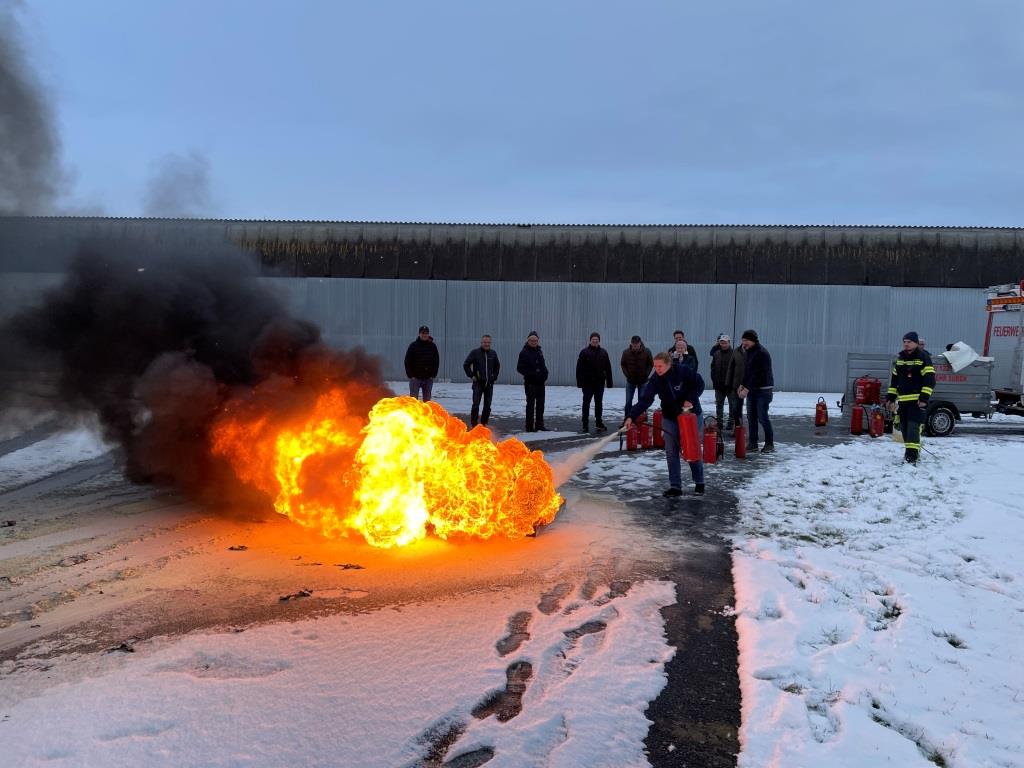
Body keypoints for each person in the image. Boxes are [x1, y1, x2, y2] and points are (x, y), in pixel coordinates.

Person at [624, 352, 706, 496]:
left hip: (691, 415)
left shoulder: (683, 370)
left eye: (660, 366)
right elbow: (645, 400)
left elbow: (700, 384)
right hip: (670, 416)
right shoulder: (655, 379)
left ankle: (699, 482)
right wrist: (631, 416)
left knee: (691, 447)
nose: (658, 369)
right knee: (671, 450)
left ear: (669, 364)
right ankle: (675, 487)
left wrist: (690, 399)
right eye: (655, 366)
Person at [885, 331, 935, 465]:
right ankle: (912, 452)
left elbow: (929, 381)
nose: (906, 344)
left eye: (909, 342)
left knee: (913, 428)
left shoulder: (923, 358)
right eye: (904, 342)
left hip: (917, 402)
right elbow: (894, 381)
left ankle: (911, 458)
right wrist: (890, 397)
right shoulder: (900, 359)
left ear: (916, 343)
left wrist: (924, 399)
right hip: (903, 402)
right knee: (905, 428)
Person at [737, 329, 774, 453]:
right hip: (752, 389)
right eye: (743, 341)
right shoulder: (749, 352)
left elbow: (758, 375)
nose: (744, 343)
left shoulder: (761, 353)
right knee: (751, 416)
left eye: (746, 340)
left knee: (762, 417)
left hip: (763, 390)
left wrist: (746, 389)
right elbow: (748, 371)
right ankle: (753, 443)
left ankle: (769, 444)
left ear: (753, 340)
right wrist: (742, 384)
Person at [576, 332, 613, 433]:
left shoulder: (603, 352)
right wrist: (579, 382)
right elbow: (579, 368)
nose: (595, 342)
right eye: (593, 340)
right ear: (590, 340)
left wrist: (609, 382)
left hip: (599, 383)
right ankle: (585, 424)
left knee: (598, 403)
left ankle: (598, 422)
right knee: (586, 403)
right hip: (587, 383)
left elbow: (608, 368)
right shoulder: (584, 352)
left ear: (599, 341)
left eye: (596, 340)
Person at [463, 334, 500, 427]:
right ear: (481, 342)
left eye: (488, 342)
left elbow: (497, 366)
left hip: (489, 384)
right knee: (476, 404)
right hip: (478, 384)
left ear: (490, 343)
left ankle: (484, 424)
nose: (486, 344)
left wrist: (494, 376)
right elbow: (466, 364)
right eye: (484, 342)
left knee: (487, 406)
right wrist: (472, 375)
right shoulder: (475, 353)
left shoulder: (493, 353)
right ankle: (474, 424)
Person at [516, 331, 549, 432]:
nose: (534, 342)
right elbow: (519, 368)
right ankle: (529, 427)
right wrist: (532, 374)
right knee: (530, 405)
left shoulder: (539, 351)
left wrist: (545, 374)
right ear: (528, 340)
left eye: (535, 340)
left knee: (540, 405)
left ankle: (539, 425)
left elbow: (542, 365)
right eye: (531, 340)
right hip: (530, 384)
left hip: (540, 383)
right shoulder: (524, 352)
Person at [710, 333, 739, 430]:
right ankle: (719, 423)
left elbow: (737, 371)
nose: (723, 344)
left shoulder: (735, 354)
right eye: (721, 342)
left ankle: (731, 423)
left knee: (732, 405)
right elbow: (713, 368)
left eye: (725, 342)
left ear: (729, 343)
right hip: (719, 385)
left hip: (730, 386)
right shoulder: (716, 354)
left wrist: (733, 384)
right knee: (719, 405)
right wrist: (714, 382)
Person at [620, 335, 654, 415]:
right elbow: (623, 364)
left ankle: (643, 420)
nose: (635, 347)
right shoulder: (626, 352)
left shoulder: (647, 351)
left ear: (640, 343)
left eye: (637, 345)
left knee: (642, 401)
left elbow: (650, 364)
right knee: (628, 401)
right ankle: (627, 419)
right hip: (630, 381)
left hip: (643, 381)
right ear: (631, 343)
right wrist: (627, 375)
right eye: (633, 345)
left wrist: (646, 374)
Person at [405, 325, 439, 402]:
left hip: (428, 379)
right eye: (422, 333)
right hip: (415, 379)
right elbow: (407, 361)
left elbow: (436, 361)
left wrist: (433, 375)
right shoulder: (413, 346)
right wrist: (410, 375)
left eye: (426, 333)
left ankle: (426, 414)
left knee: (427, 401)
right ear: (419, 334)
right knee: (413, 400)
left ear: (428, 334)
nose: (424, 335)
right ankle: (413, 414)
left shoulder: (432, 346)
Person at [725, 336, 745, 434]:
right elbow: (730, 368)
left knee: (754, 410)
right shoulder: (736, 351)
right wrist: (728, 383)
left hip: (751, 385)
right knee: (736, 408)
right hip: (737, 385)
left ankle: (751, 435)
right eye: (744, 340)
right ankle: (738, 429)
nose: (745, 342)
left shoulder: (755, 352)